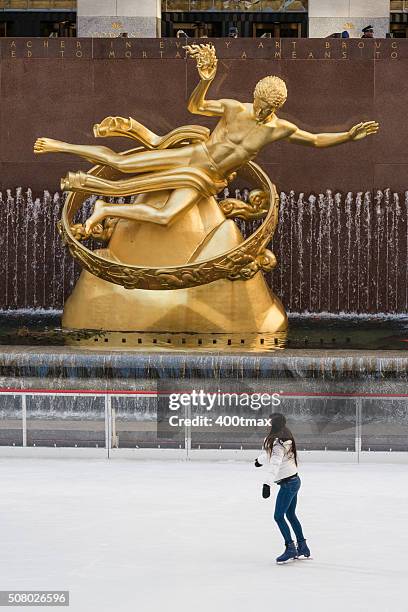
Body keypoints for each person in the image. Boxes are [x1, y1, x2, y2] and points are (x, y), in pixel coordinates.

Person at [33, 43, 379, 232]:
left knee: (167, 217)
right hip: (193, 157)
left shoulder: (279, 129)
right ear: (254, 96)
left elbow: (316, 140)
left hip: (207, 179)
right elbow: (196, 105)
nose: (260, 111)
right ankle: (61, 146)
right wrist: (206, 78)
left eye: (268, 107)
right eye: (259, 103)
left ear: (278, 106)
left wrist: (348, 136)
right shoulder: (233, 108)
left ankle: (108, 207)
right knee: (122, 162)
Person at [255, 413, 311, 564]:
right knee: (291, 515)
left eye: (270, 422)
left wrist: (267, 484)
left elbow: (275, 462)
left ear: (274, 424)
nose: (268, 425)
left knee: (279, 516)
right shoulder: (285, 435)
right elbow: (273, 455)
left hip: (287, 484)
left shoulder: (278, 441)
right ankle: (303, 546)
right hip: (295, 479)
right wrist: (259, 460)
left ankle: (291, 547)